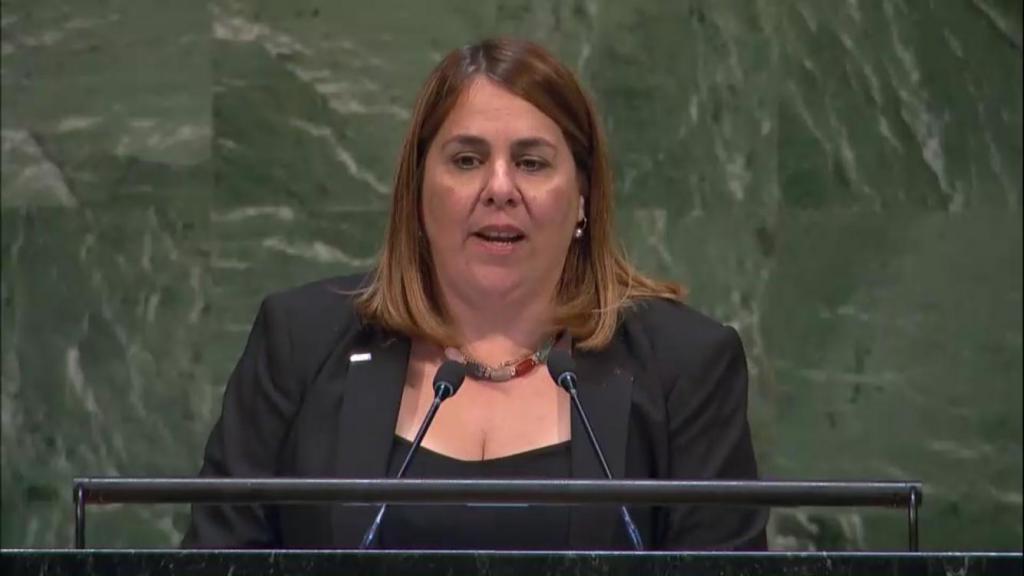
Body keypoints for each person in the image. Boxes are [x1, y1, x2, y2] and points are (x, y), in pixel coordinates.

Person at [183, 37, 768, 550]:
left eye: (532, 163)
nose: (499, 188)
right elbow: (218, 558)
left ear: (582, 197)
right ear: (418, 192)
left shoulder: (684, 366)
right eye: (467, 160)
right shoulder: (301, 342)